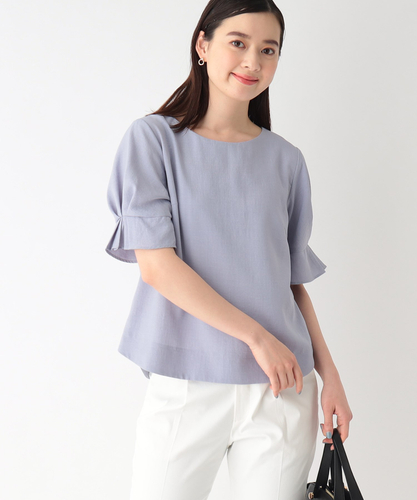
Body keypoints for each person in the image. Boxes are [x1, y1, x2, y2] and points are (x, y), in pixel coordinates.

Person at [105, 1, 353, 499]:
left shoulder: (286, 160)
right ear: (203, 44)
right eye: (238, 43)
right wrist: (257, 338)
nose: (253, 62)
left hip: (283, 390)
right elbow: (157, 266)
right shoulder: (152, 140)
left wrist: (331, 378)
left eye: (269, 50)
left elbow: (289, 283)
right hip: (187, 384)